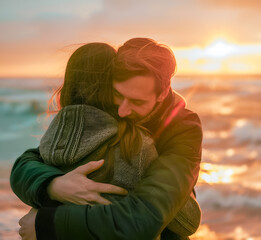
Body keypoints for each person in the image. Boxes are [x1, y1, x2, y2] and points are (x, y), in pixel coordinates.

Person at [11, 38, 203, 240]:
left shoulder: (183, 128)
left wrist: (46, 223)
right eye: (117, 94)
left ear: (162, 94)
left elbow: (145, 217)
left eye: (136, 101)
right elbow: (29, 161)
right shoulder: (105, 108)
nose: (122, 111)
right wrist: (52, 185)